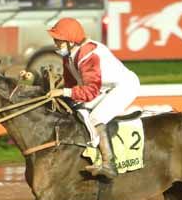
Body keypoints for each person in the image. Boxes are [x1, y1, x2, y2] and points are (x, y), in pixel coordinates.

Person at [45, 17, 140, 179]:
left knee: (96, 117)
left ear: (71, 40)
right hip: (103, 87)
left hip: (124, 87)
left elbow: (90, 92)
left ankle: (109, 164)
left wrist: (63, 93)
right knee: (77, 109)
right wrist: (61, 89)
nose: (56, 44)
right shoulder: (69, 55)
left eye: (59, 40)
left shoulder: (88, 55)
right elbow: (71, 83)